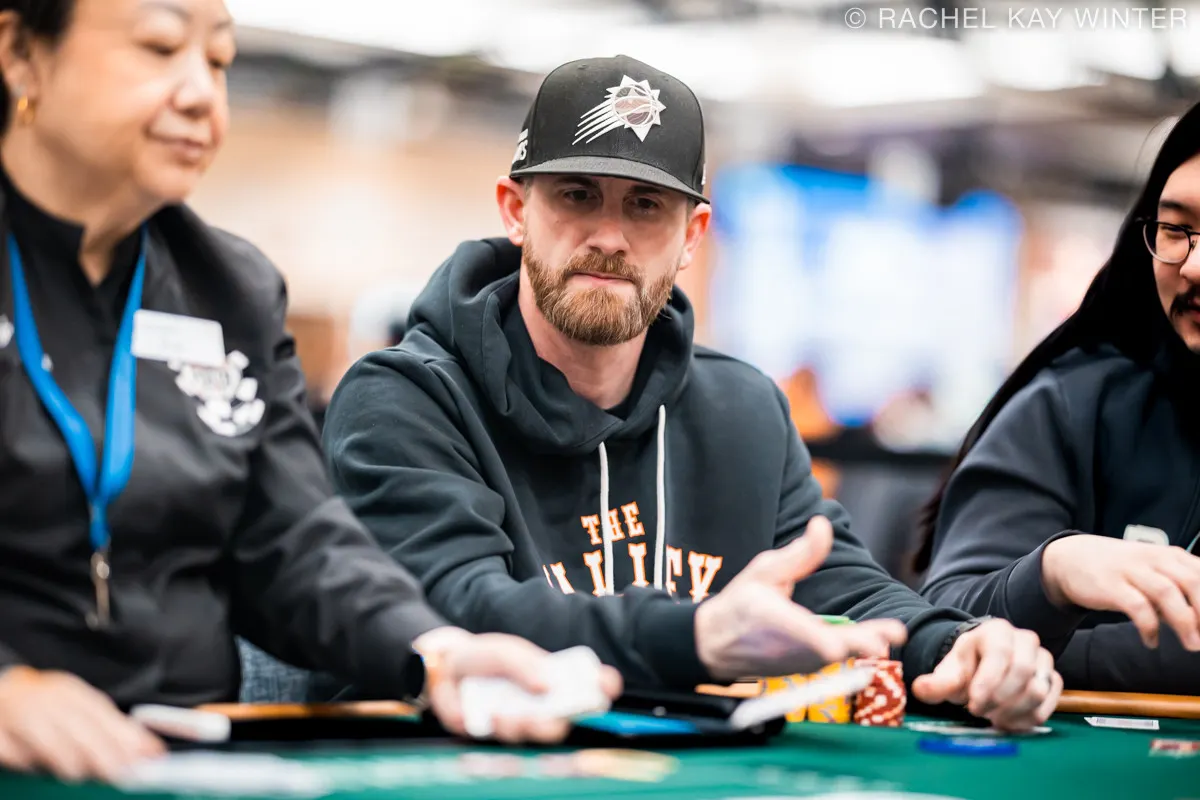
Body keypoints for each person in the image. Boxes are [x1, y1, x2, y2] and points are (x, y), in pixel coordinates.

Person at [322, 54, 1062, 732]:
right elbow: (455, 607)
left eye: (646, 205)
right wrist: (696, 637)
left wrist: (957, 647)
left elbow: (843, 589)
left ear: (693, 235)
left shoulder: (745, 409)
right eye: (578, 194)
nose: (610, 236)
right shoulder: (403, 399)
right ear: (516, 210)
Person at [0, 0, 622, 784]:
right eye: (159, 48)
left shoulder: (229, 288)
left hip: (172, 759)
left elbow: (294, 542)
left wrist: (433, 653)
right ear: (20, 52)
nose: (199, 94)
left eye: (219, 61)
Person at [914, 102, 1200, 694]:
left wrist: (1052, 655)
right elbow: (946, 629)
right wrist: (1051, 574)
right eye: (1176, 230)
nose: (1194, 268)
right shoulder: (1073, 404)